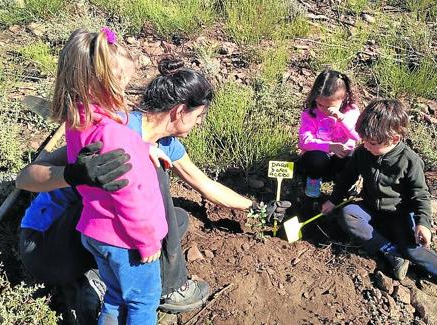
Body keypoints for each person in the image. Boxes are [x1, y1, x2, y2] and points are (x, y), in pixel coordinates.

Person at [16, 58, 291, 321]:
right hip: (47, 245)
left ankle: (97, 282)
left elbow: (205, 184)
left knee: (176, 219)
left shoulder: (166, 143)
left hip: (92, 236)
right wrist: (76, 174)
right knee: (154, 181)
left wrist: (255, 209)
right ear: (180, 111)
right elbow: (24, 178)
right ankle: (171, 287)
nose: (199, 123)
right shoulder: (114, 132)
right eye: (198, 116)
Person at [321, 99, 437, 322]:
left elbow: (421, 195)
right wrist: (334, 201)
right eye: (364, 140)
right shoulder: (363, 153)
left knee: (413, 248)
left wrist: (423, 223)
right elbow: (347, 179)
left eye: (372, 142)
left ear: (394, 139)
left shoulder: (409, 161)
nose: (366, 145)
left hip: (400, 214)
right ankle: (390, 251)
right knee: (348, 214)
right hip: (372, 209)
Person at [53, 28, 168, 324]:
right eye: (122, 82)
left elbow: (112, 149)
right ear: (103, 83)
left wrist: (141, 147)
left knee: (116, 297)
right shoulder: (113, 132)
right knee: (143, 302)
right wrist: (147, 241)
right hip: (126, 239)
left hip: (96, 232)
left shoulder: (79, 121)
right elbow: (128, 197)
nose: (125, 91)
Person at [297, 69, 360, 198]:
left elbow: (357, 136)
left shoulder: (351, 111)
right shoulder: (311, 113)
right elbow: (304, 142)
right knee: (315, 159)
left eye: (330, 107)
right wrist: (330, 146)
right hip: (319, 158)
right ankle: (314, 179)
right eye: (320, 104)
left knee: (353, 157)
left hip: (342, 158)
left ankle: (344, 183)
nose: (324, 110)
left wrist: (342, 119)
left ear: (343, 98)